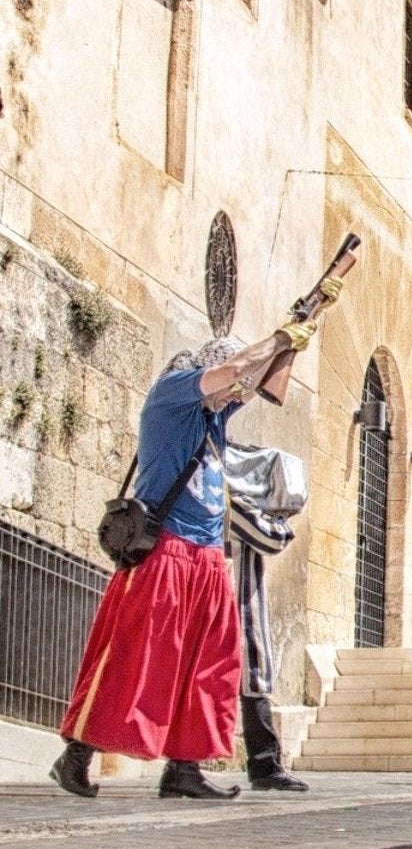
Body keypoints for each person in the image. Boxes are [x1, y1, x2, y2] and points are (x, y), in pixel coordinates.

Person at [52, 318, 326, 801]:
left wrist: (295, 337)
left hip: (206, 556)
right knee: (135, 655)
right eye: (231, 381)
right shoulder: (174, 394)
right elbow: (238, 370)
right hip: (165, 550)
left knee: (213, 662)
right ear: (212, 367)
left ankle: (185, 768)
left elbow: (250, 378)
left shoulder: (212, 417)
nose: (237, 393)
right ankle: (76, 755)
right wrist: (280, 338)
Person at [225, 442, 311, 792]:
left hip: (230, 595)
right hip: (237, 598)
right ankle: (264, 764)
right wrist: (280, 521)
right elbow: (273, 538)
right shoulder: (234, 504)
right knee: (253, 674)